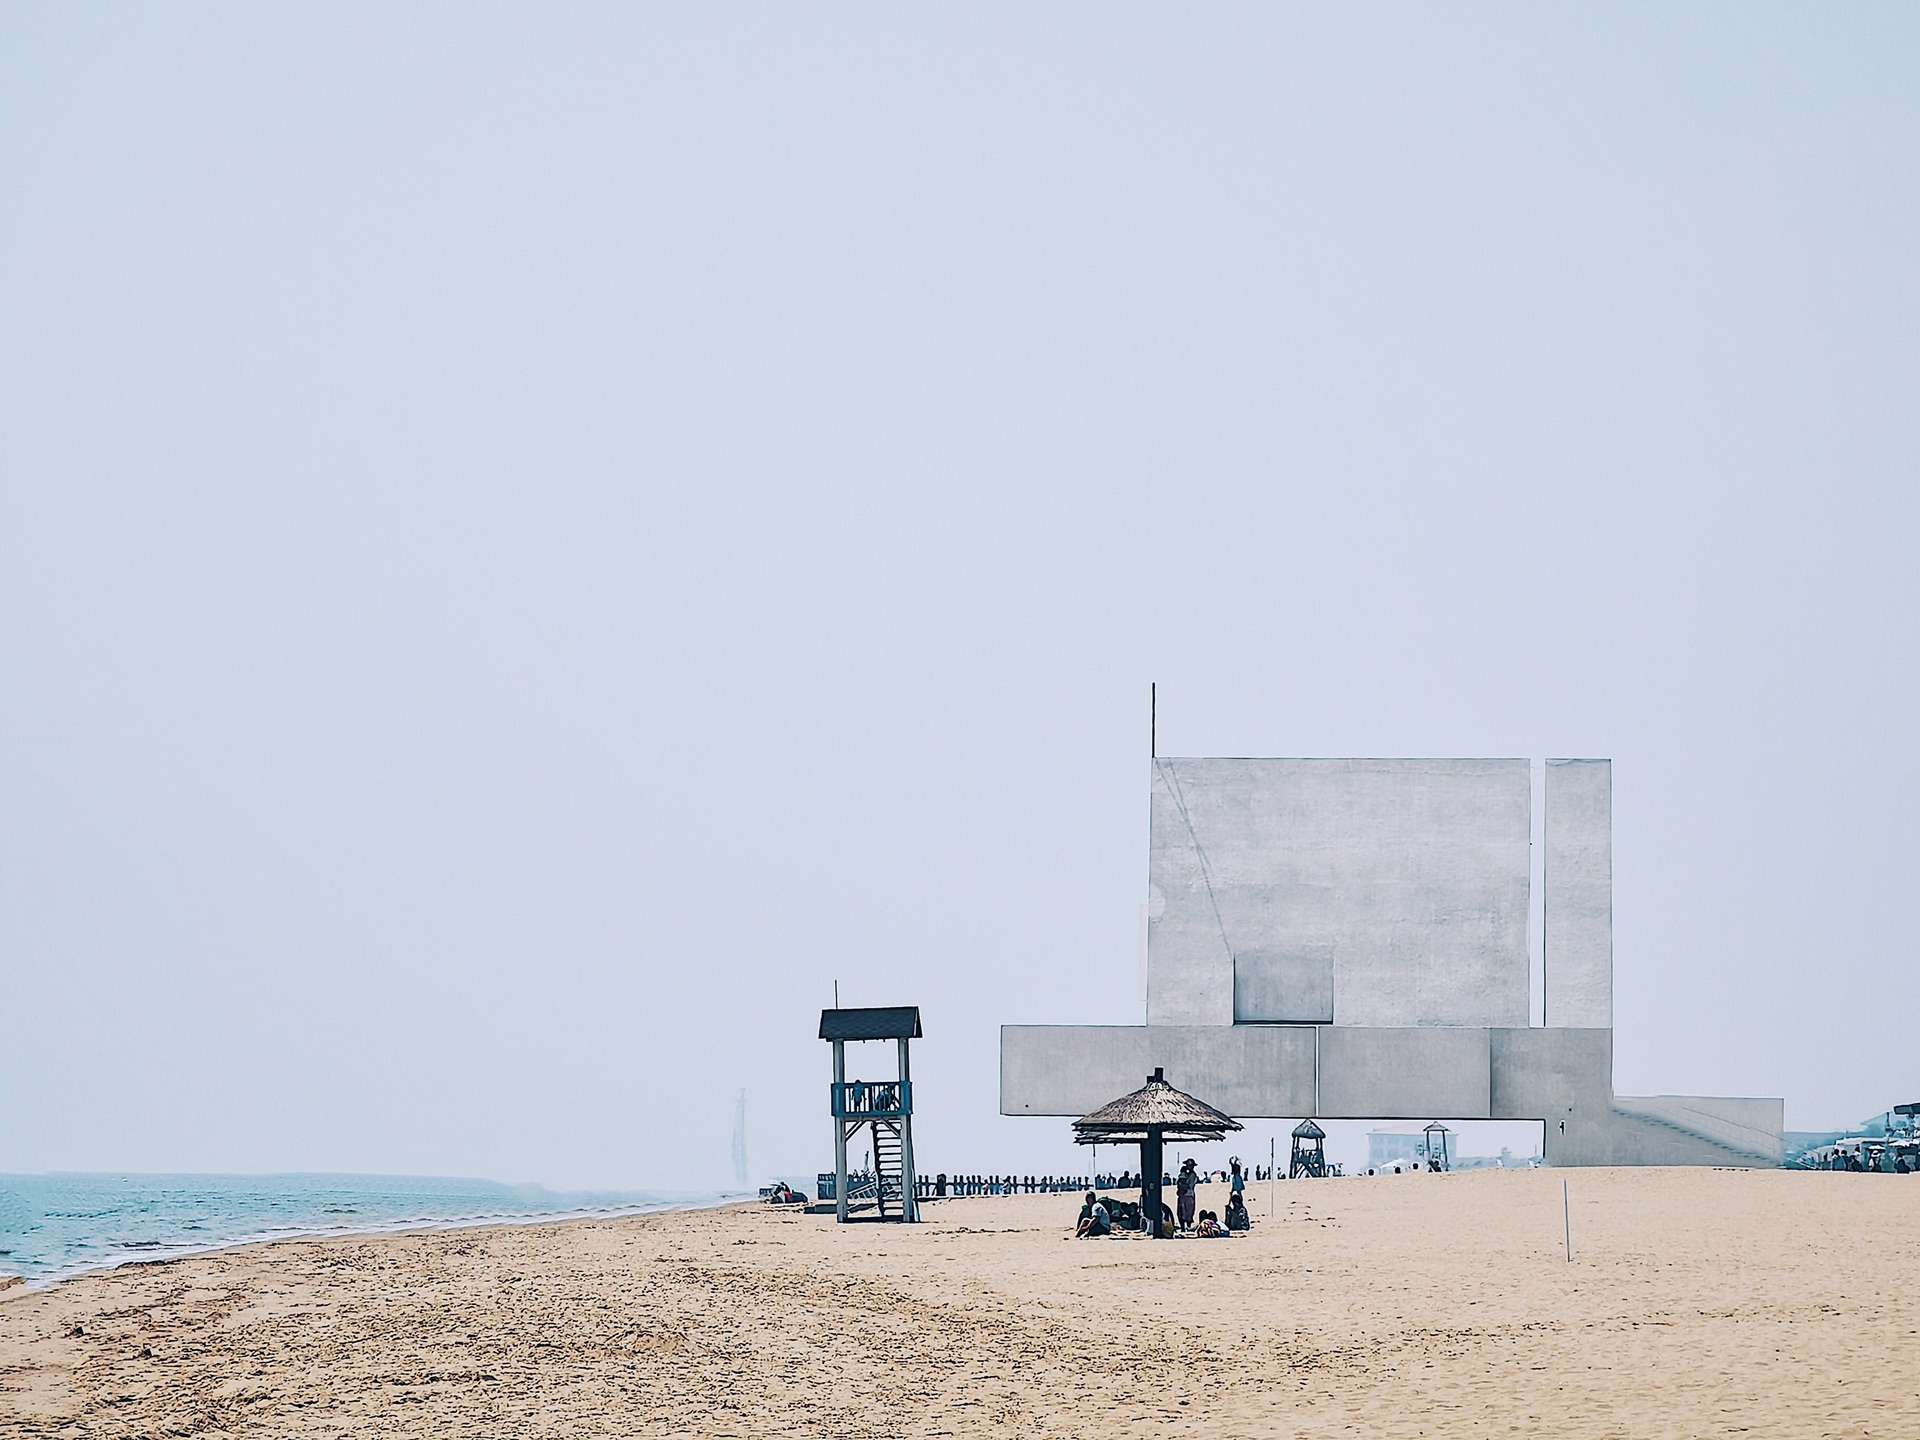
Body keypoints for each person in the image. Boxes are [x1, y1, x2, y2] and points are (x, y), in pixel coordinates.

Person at [1176, 1158, 1198, 1231]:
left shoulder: (1193, 1175)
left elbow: (1190, 1185)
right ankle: (1182, 1227)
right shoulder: (1182, 1174)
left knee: (1189, 1211)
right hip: (1182, 1195)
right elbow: (1179, 1183)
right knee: (1181, 1211)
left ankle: (1188, 1226)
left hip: (1189, 1195)